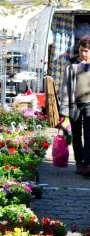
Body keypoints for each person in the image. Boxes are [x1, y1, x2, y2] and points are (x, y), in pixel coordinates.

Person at [60, 36, 90, 175]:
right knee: (76, 135)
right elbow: (65, 87)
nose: (84, 54)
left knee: (89, 134)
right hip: (75, 104)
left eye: (87, 51)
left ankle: (88, 163)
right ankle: (79, 162)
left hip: (89, 104)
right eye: (82, 50)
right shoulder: (72, 65)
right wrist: (64, 109)